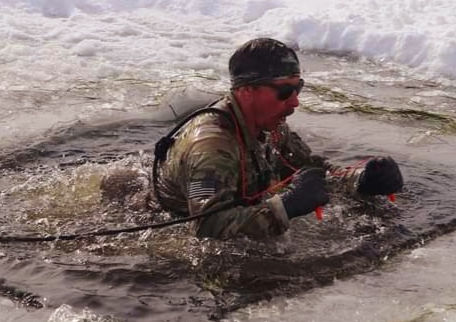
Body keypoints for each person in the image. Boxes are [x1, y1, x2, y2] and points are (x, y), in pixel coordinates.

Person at [150, 37, 404, 239]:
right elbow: (207, 227)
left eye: (298, 88)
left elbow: (306, 167)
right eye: (285, 91)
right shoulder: (211, 147)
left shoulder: (271, 125)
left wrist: (361, 180)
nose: (295, 101)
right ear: (246, 91)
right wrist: (286, 208)